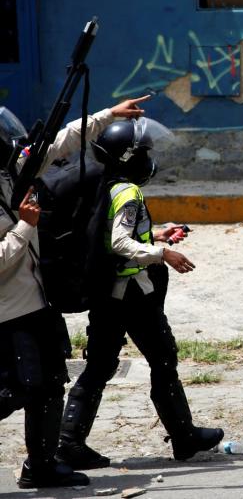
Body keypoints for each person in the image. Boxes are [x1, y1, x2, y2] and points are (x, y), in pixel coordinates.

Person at [56, 119, 223, 470]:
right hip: (132, 296)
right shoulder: (129, 192)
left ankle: (69, 443)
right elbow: (119, 242)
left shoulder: (106, 186)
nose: (148, 158)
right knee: (163, 359)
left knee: (100, 366)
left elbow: (108, 234)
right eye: (144, 151)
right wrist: (164, 254)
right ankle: (184, 437)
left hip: (107, 293)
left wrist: (157, 235)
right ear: (130, 157)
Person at [0, 97, 147, 489]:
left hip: (34, 299)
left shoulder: (9, 174)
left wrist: (108, 115)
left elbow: (57, 143)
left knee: (49, 383)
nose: (13, 149)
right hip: (6, 309)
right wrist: (25, 228)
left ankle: (43, 465)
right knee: (16, 388)